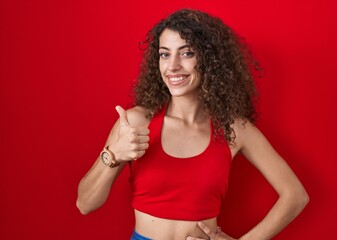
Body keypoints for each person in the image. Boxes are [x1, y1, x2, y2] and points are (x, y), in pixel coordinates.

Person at [76, 9, 309, 240]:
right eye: (165, 54)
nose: (173, 66)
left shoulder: (234, 129)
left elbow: (295, 195)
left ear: (209, 60)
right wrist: (112, 154)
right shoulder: (136, 122)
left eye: (187, 53)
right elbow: (85, 204)